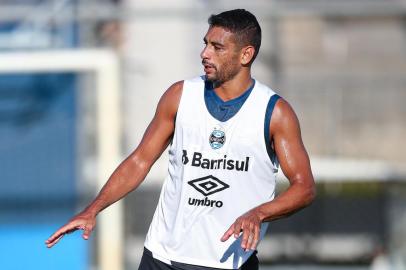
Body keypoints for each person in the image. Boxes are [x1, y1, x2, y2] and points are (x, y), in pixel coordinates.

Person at [46, 9, 316, 270]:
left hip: (228, 263)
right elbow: (140, 160)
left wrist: (259, 213)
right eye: (205, 44)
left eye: (217, 47)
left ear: (246, 54)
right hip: (162, 257)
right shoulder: (180, 95)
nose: (205, 54)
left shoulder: (274, 113)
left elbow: (303, 187)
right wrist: (93, 209)